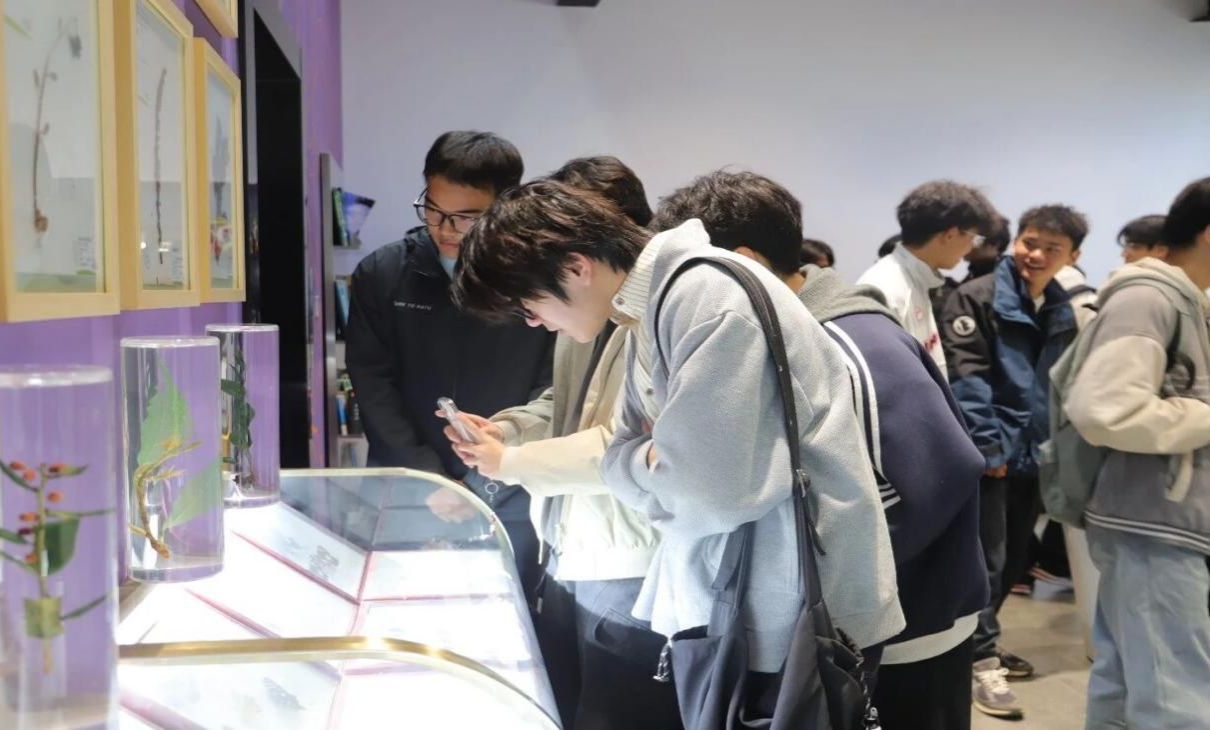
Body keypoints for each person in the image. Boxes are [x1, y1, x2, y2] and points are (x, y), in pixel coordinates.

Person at [454, 180, 904, 717]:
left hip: (795, 616)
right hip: (749, 604)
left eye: (530, 305)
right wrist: (651, 459)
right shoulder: (655, 304)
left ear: (576, 267)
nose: (534, 322)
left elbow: (707, 494)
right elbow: (632, 448)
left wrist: (651, 462)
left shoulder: (706, 298)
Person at [652, 170, 987, 730]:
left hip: (910, 627)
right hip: (866, 628)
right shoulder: (794, 334)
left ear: (744, 262)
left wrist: (840, 580)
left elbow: (943, 474)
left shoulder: (852, 340)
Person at [439, 156, 675, 730]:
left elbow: (634, 447)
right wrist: (508, 430)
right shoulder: (588, 308)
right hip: (574, 545)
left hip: (633, 559)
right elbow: (565, 403)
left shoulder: (660, 314)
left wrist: (512, 461)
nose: (533, 321)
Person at [344, 131, 554, 587]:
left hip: (509, 489)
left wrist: (485, 480)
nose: (444, 229)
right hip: (406, 484)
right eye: (433, 210)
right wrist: (429, 479)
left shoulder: (536, 278)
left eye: (465, 218)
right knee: (398, 603)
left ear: (505, 205)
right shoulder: (384, 274)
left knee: (509, 609)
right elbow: (373, 386)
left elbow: (551, 386)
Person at [1063, 177, 1210, 728]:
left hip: (1156, 521)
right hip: (1154, 525)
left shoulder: (1185, 301)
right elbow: (1104, 409)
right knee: (1176, 701)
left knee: (1128, 684)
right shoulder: (1150, 298)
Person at [940, 204, 1088, 720]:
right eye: (1030, 242)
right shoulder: (976, 297)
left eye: (1052, 248)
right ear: (1016, 241)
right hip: (993, 457)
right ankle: (978, 659)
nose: (1037, 255)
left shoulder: (1061, 305)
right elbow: (968, 377)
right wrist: (988, 447)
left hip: (1036, 454)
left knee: (1017, 559)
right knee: (987, 561)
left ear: (1073, 256)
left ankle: (980, 644)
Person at [858, 181, 997, 376]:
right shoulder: (886, 290)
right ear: (951, 234)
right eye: (973, 238)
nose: (971, 247)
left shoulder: (915, 280)